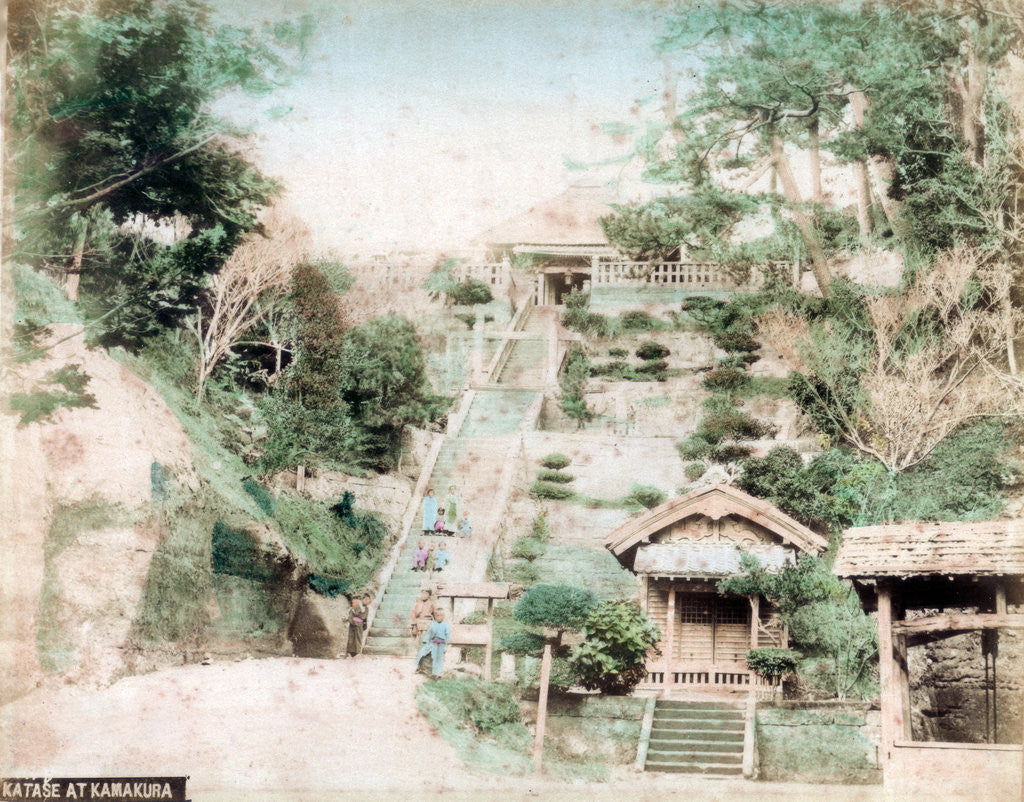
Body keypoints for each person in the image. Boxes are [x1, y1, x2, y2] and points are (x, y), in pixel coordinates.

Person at [414, 608, 452, 677]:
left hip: (441, 643)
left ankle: (437, 673)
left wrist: (446, 645)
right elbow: (429, 634)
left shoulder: (445, 625)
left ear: (443, 616)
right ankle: (419, 666)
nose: (439, 617)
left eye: (441, 616)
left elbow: (448, 636)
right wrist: (425, 641)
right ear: (434, 616)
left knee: (438, 656)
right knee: (422, 651)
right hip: (432, 642)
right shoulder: (433, 625)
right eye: (437, 616)